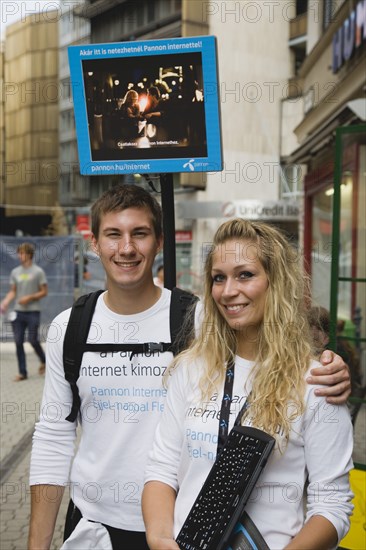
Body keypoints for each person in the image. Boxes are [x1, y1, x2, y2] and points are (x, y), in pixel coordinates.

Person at [28, 186, 350, 550]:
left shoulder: (196, 318)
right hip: (103, 528)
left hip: (194, 530)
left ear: (160, 242)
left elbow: (332, 501)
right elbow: (53, 439)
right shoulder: (71, 328)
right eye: (114, 234)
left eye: (140, 234)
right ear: (95, 243)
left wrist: (329, 367)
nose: (127, 248)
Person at [142, 219, 354, 550]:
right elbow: (162, 470)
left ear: (276, 282)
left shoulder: (316, 382)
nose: (228, 291)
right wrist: (158, 538)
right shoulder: (190, 370)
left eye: (245, 274)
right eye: (218, 278)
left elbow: (332, 505)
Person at [0, 242, 48, 381]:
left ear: (29, 254)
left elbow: (44, 291)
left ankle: (44, 360)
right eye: (19, 253)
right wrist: (5, 302)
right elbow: (13, 291)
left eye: (22, 253)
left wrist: (30, 297)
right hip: (18, 312)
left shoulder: (38, 271)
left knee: (33, 340)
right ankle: (22, 372)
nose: (19, 256)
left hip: (33, 311)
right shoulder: (15, 272)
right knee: (18, 341)